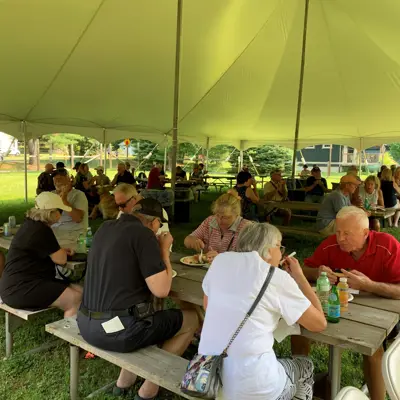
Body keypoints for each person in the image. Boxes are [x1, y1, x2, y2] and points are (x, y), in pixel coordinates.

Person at [77, 198, 199, 398]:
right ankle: (149, 389)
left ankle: (124, 382)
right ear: (153, 222)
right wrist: (163, 252)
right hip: (117, 331)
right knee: (191, 318)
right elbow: (161, 290)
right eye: (159, 225)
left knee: (147, 316)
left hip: (86, 323)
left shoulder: (105, 228)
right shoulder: (144, 235)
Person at [199, 223, 326, 400]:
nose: (281, 253)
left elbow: (208, 305)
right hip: (255, 387)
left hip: (210, 377)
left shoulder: (220, 262)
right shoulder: (275, 276)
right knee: (305, 365)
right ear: (268, 250)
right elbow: (319, 323)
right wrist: (299, 277)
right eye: (280, 246)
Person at [294, 206, 400, 400]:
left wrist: (370, 285)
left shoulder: (387, 246)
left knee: (372, 348)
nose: (340, 238)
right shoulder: (330, 245)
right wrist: (318, 272)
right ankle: (303, 387)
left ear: (366, 233)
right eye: (337, 232)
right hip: (337, 307)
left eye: (347, 234)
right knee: (299, 332)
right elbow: (304, 269)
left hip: (377, 313)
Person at [0, 192, 82, 316]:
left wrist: (58, 251)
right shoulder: (42, 230)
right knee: (74, 299)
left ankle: (83, 327)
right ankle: (70, 331)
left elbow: (44, 250)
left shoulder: (31, 224)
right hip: (21, 289)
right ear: (52, 213)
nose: (61, 214)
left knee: (80, 292)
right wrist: (61, 252)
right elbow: (61, 260)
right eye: (60, 211)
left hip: (15, 285)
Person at [184, 193, 251, 261]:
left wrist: (221, 258)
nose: (219, 220)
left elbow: (250, 259)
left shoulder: (247, 228)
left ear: (237, 214)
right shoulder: (210, 221)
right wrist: (193, 241)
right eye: (217, 215)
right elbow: (187, 240)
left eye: (225, 217)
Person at [52, 170, 88, 247]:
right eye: (55, 179)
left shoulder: (79, 195)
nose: (57, 181)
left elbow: (78, 218)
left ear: (68, 179)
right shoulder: (52, 194)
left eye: (60, 178)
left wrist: (64, 200)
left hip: (72, 235)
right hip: (54, 233)